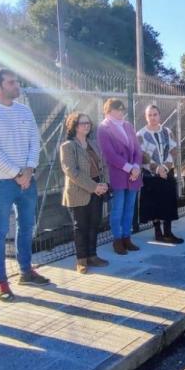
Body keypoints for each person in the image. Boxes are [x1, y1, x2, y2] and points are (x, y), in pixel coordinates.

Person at [0, 67, 50, 301]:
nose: (17, 86)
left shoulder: (24, 111)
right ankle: (1, 282)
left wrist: (28, 170)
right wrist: (16, 173)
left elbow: (34, 141)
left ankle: (26, 270)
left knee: (27, 227)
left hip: (26, 179)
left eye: (17, 82)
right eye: (11, 83)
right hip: (0, 183)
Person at [60, 112, 111, 273]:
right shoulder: (68, 146)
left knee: (94, 224)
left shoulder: (93, 144)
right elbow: (71, 172)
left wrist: (104, 184)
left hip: (97, 189)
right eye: (82, 123)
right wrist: (93, 187)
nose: (86, 125)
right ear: (74, 126)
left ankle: (92, 255)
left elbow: (103, 165)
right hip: (79, 190)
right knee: (80, 226)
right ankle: (81, 260)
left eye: (88, 122)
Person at [97, 98, 142, 255]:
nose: (121, 112)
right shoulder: (104, 128)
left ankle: (127, 238)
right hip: (118, 174)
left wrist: (136, 166)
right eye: (118, 109)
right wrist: (130, 168)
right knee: (118, 208)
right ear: (108, 111)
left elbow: (137, 149)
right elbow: (110, 154)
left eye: (123, 109)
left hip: (133, 174)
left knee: (129, 208)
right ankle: (117, 240)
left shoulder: (128, 126)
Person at [137, 104, 183, 244]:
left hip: (167, 172)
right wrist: (157, 169)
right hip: (151, 175)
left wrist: (165, 167)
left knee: (168, 202)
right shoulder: (140, 135)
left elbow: (174, 149)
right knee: (154, 203)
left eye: (155, 114)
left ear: (159, 115)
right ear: (146, 117)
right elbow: (142, 156)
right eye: (149, 115)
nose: (153, 117)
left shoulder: (167, 131)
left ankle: (168, 233)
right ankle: (158, 233)